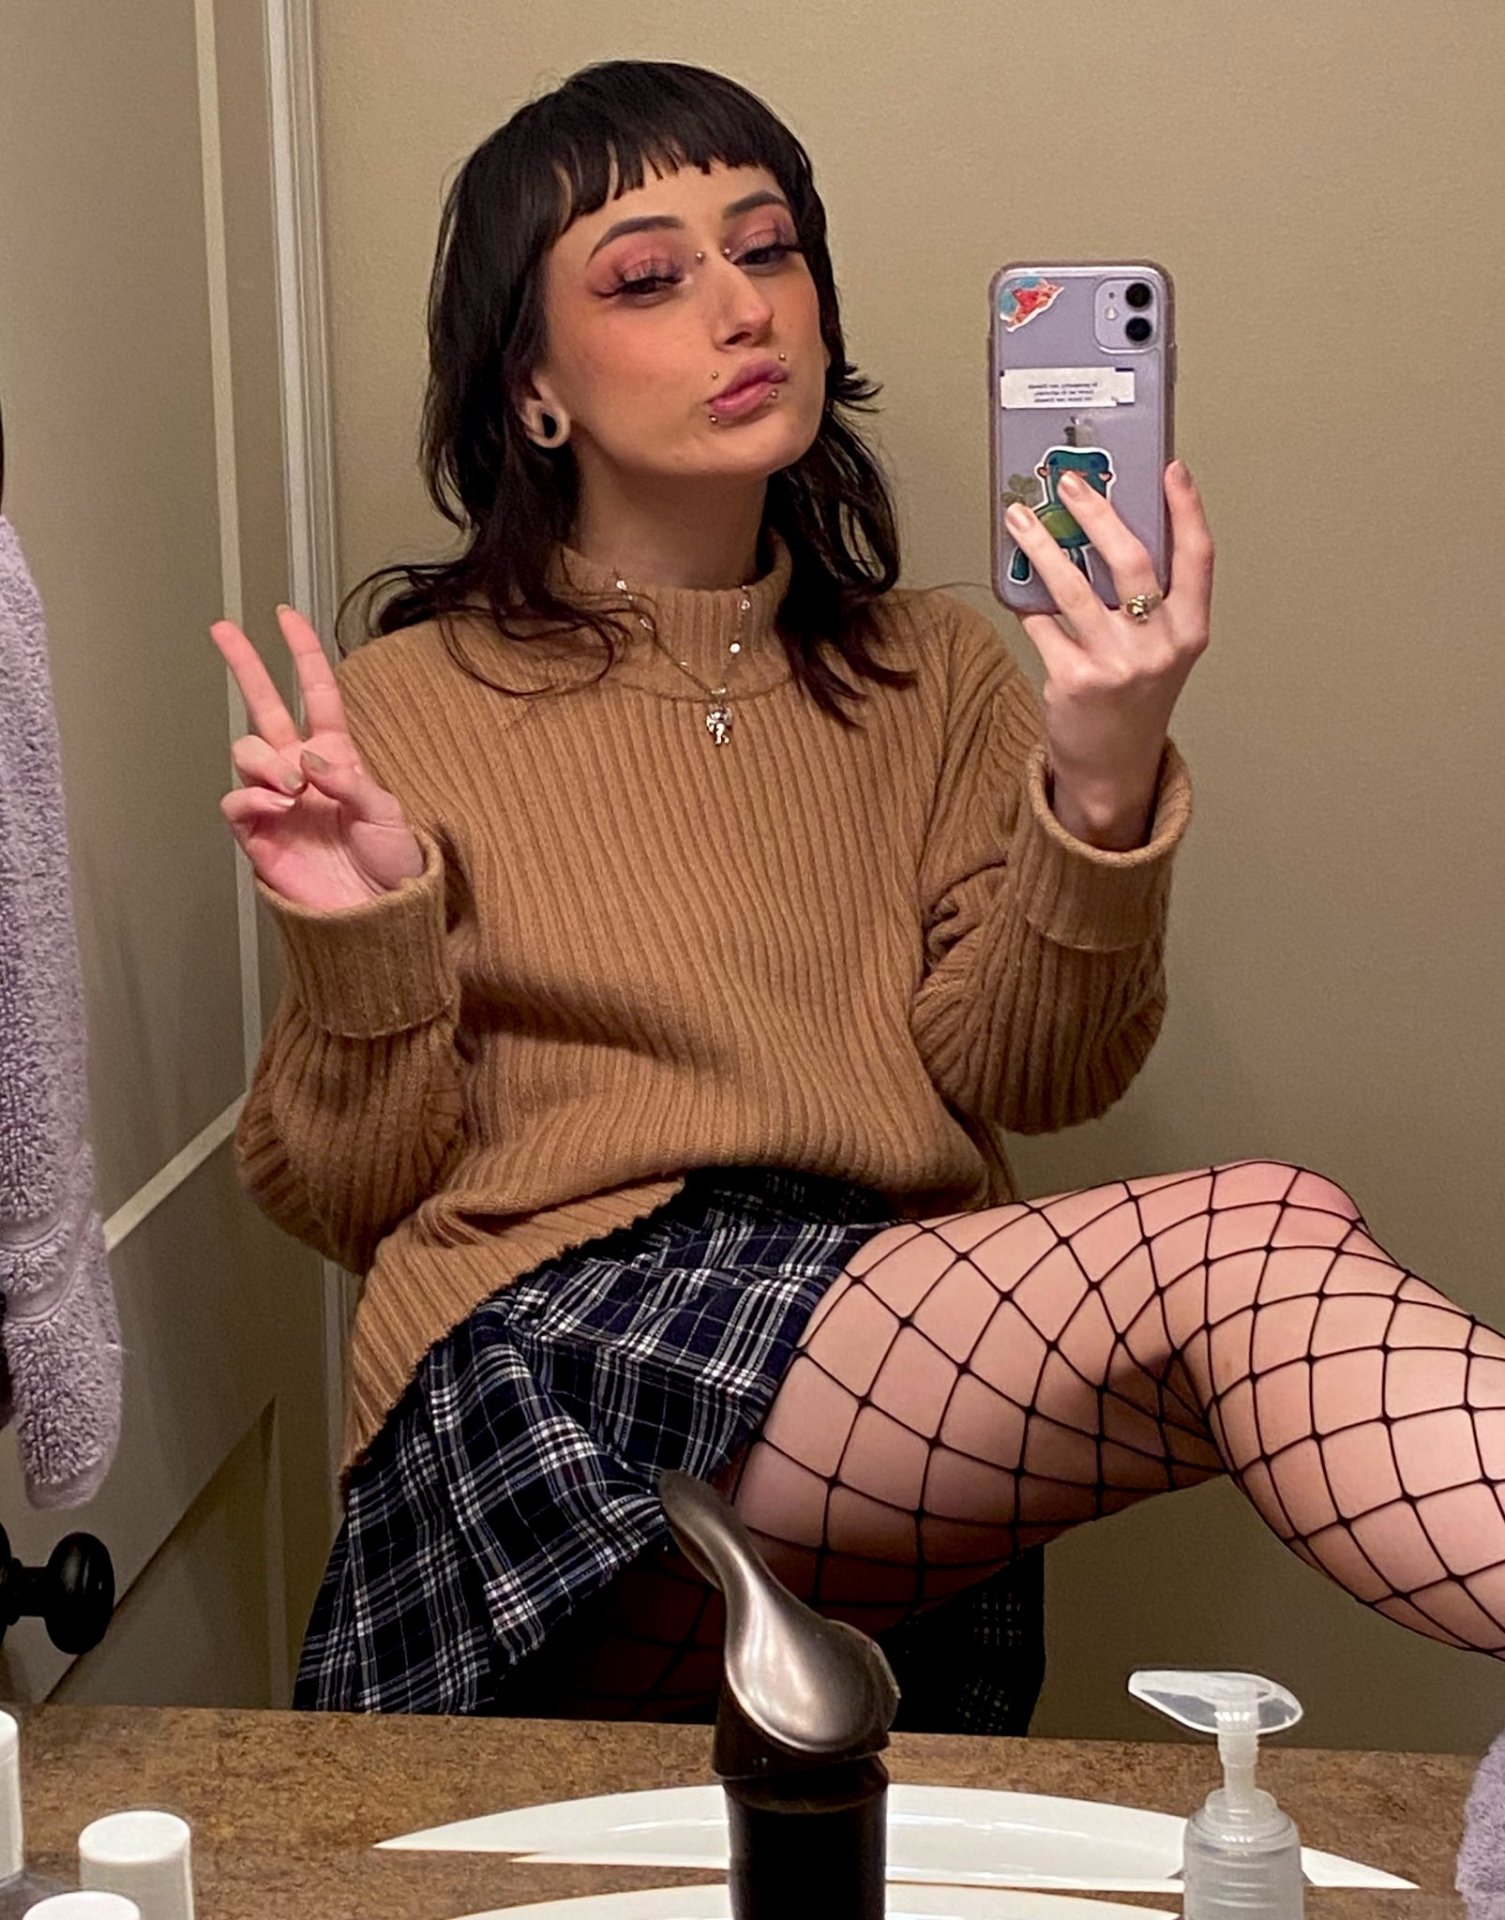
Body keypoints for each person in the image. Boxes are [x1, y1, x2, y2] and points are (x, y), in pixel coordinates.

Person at [212, 59, 1505, 1719]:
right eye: (648, 277)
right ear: (532, 388)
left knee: (1264, 1295)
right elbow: (341, 1199)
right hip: (558, 1355)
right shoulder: (406, 701)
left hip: (880, 1326)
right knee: (1250, 1234)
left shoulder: (934, 672)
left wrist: (1101, 777)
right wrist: (362, 942)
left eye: (768, 249)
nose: (740, 307)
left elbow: (1031, 1077)